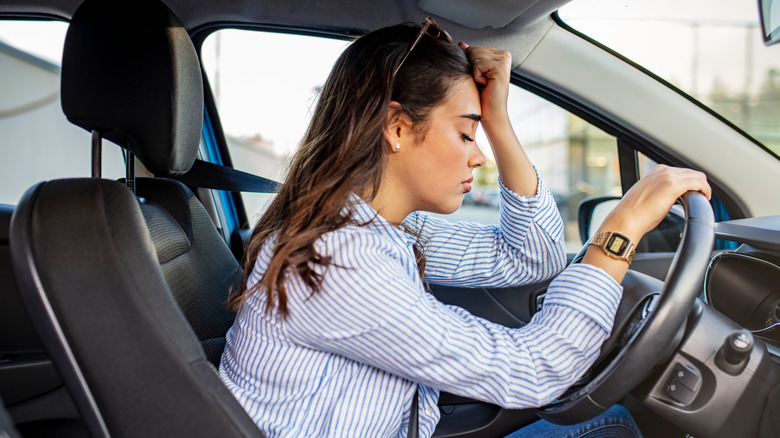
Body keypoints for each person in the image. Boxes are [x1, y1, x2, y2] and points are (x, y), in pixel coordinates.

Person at [219, 17, 710, 438]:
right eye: (464, 132)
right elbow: (532, 371)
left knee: (613, 422)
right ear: (396, 128)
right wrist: (618, 232)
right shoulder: (337, 259)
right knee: (616, 427)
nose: (478, 155)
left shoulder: (381, 228)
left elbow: (530, 257)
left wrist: (496, 118)